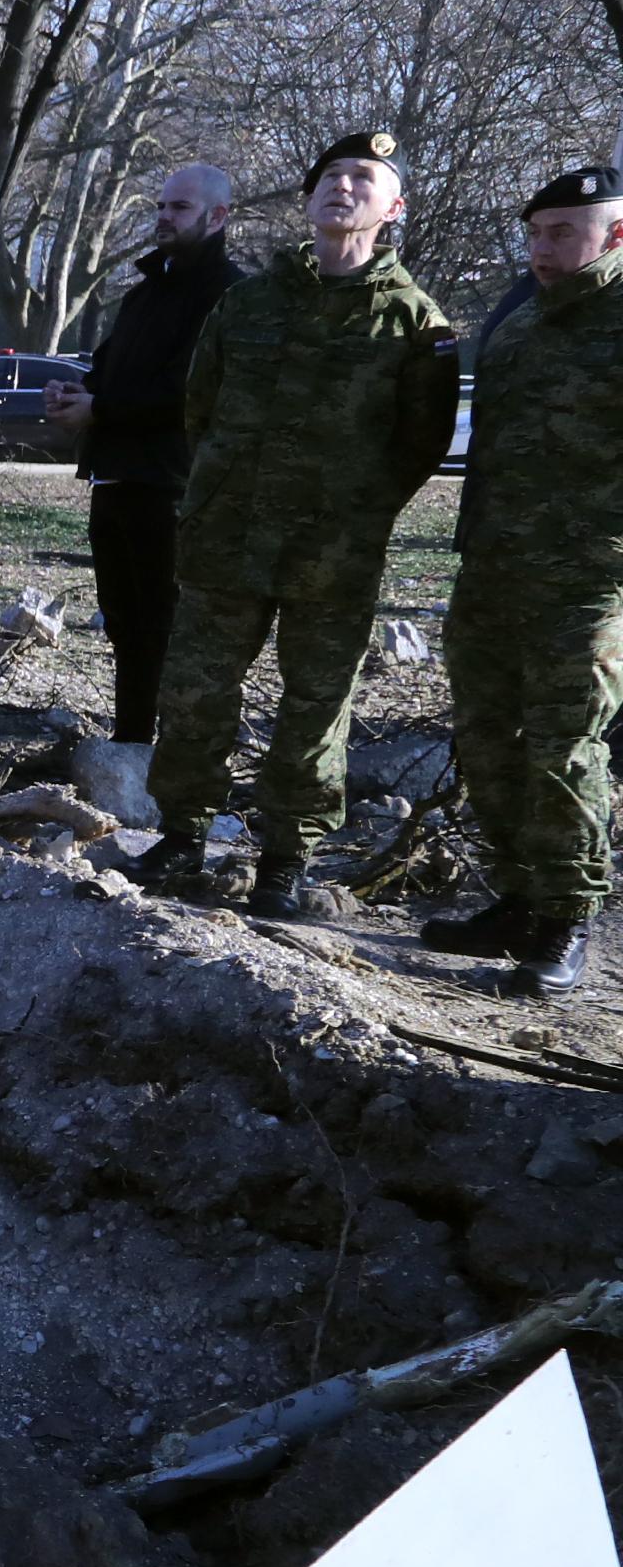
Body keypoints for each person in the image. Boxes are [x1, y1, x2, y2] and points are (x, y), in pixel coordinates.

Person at [132, 130, 460, 916]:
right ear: (309, 198)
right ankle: (181, 834)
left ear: (394, 207)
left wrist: (350, 509)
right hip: (226, 537)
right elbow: (199, 408)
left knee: (315, 707)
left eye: (363, 177)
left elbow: (420, 444)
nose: (341, 187)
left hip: (331, 554)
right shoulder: (247, 300)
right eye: (330, 175)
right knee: (195, 691)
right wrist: (224, 488)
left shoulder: (416, 324)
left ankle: (286, 856)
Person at [424, 163, 623, 997]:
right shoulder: (517, 320)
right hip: (496, 567)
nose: (543, 250)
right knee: (483, 738)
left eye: (564, 234)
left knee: (563, 747)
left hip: (589, 580)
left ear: (614, 236)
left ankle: (567, 919)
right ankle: (517, 897)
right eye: (536, 233)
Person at [42, 165, 238, 744]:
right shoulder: (148, 290)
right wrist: (76, 390)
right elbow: (110, 366)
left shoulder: (225, 292)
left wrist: (99, 409)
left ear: (218, 215)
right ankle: (132, 738)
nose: (164, 217)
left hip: (173, 482)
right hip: (118, 475)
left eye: (179, 207)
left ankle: (172, 748)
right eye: (161, 205)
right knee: (125, 622)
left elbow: (191, 389)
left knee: (163, 621)